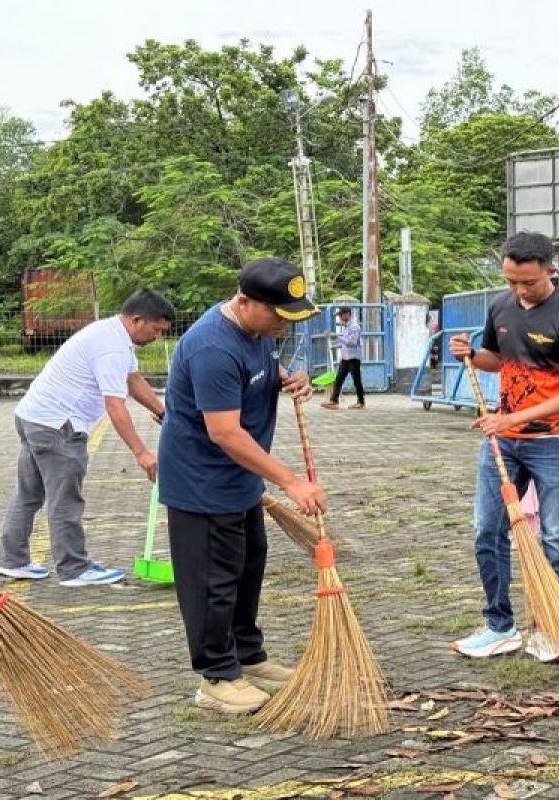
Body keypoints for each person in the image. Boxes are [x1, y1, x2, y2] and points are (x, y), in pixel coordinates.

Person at [158, 256, 327, 716]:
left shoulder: (256, 332)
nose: (283, 327)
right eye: (278, 316)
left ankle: (248, 659)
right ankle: (216, 677)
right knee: (213, 581)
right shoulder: (212, 347)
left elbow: (252, 377)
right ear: (245, 301)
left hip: (239, 480)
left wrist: (285, 380)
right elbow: (225, 432)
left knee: (248, 568)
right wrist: (291, 481)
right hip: (202, 482)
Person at [447, 231, 559, 663]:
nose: (518, 290)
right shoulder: (500, 307)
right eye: (511, 280)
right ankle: (500, 626)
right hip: (504, 442)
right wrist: (472, 355)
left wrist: (512, 417)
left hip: (558, 441)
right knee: (487, 531)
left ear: (551, 270)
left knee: (554, 538)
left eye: (527, 282)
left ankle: (551, 629)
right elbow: (499, 358)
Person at [0, 289, 173, 586]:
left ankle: (13, 561)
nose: (158, 336)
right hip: (58, 427)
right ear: (137, 319)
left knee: (29, 493)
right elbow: (115, 405)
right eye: (156, 329)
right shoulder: (112, 347)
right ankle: (74, 569)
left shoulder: (112, 335)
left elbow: (133, 380)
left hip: (33, 417)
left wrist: (164, 413)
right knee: (64, 498)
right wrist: (141, 452)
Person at [321, 306, 365, 410]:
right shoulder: (347, 327)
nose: (340, 317)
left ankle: (361, 401)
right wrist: (335, 341)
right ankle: (334, 401)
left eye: (342, 314)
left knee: (357, 381)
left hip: (353, 358)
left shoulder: (354, 327)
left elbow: (352, 342)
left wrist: (336, 336)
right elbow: (345, 342)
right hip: (345, 359)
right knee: (338, 380)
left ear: (348, 314)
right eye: (340, 315)